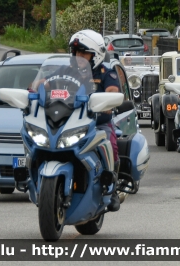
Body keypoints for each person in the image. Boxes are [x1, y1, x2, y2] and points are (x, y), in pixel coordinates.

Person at [69, 29, 121, 212]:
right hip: (70, 123)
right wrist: (36, 87)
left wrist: (106, 102)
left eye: (84, 53)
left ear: (96, 55)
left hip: (98, 123)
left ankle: (112, 188)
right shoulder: (66, 71)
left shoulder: (106, 72)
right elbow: (47, 82)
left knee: (111, 144)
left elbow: (113, 91)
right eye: (76, 52)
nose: (79, 56)